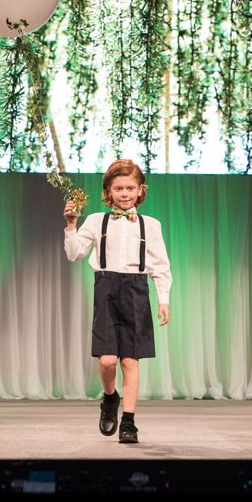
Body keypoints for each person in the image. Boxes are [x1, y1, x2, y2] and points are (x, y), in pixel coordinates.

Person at [63, 159, 171, 444]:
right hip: (106, 290)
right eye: (119, 188)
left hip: (136, 290)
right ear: (108, 191)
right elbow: (74, 254)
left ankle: (129, 422)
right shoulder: (96, 221)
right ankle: (110, 397)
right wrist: (71, 226)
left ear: (140, 190)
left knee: (130, 360)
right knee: (108, 360)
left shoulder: (151, 225)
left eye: (130, 188)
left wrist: (163, 299)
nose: (125, 193)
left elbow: (161, 265)